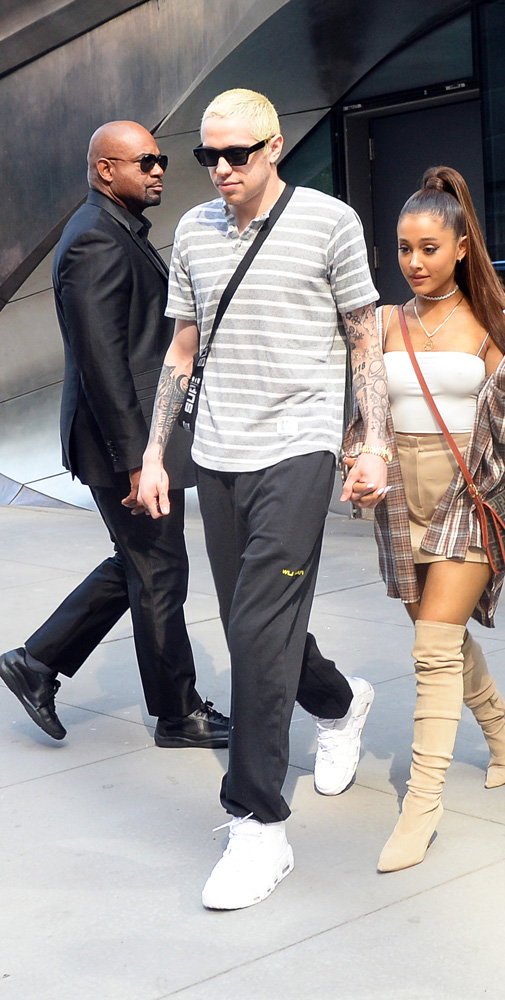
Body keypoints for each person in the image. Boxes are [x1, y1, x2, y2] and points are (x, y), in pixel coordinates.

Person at [138, 89, 388, 910]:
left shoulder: (328, 221)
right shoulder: (193, 234)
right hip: (218, 453)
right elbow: (181, 349)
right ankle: (341, 701)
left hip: (298, 446)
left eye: (235, 154)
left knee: (252, 628)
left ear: (274, 148)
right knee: (262, 622)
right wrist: (153, 454)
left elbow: (364, 335)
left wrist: (372, 440)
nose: (218, 169)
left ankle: (257, 823)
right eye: (206, 156)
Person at [0, 121, 228, 750]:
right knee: (157, 569)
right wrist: (139, 460)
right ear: (106, 170)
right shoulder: (94, 239)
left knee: (145, 563)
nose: (159, 170)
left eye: (159, 160)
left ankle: (36, 662)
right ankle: (178, 715)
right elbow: (101, 361)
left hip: (128, 439)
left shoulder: (114, 229)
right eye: (145, 161)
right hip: (119, 443)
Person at [344, 166, 505, 872]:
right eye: (403, 248)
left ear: (460, 246)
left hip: (468, 495)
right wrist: (356, 466)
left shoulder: (493, 322)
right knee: (443, 641)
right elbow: (365, 420)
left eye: (428, 247)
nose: (415, 262)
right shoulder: (380, 324)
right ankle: (498, 721)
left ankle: (420, 808)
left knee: (432, 649)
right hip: (402, 505)